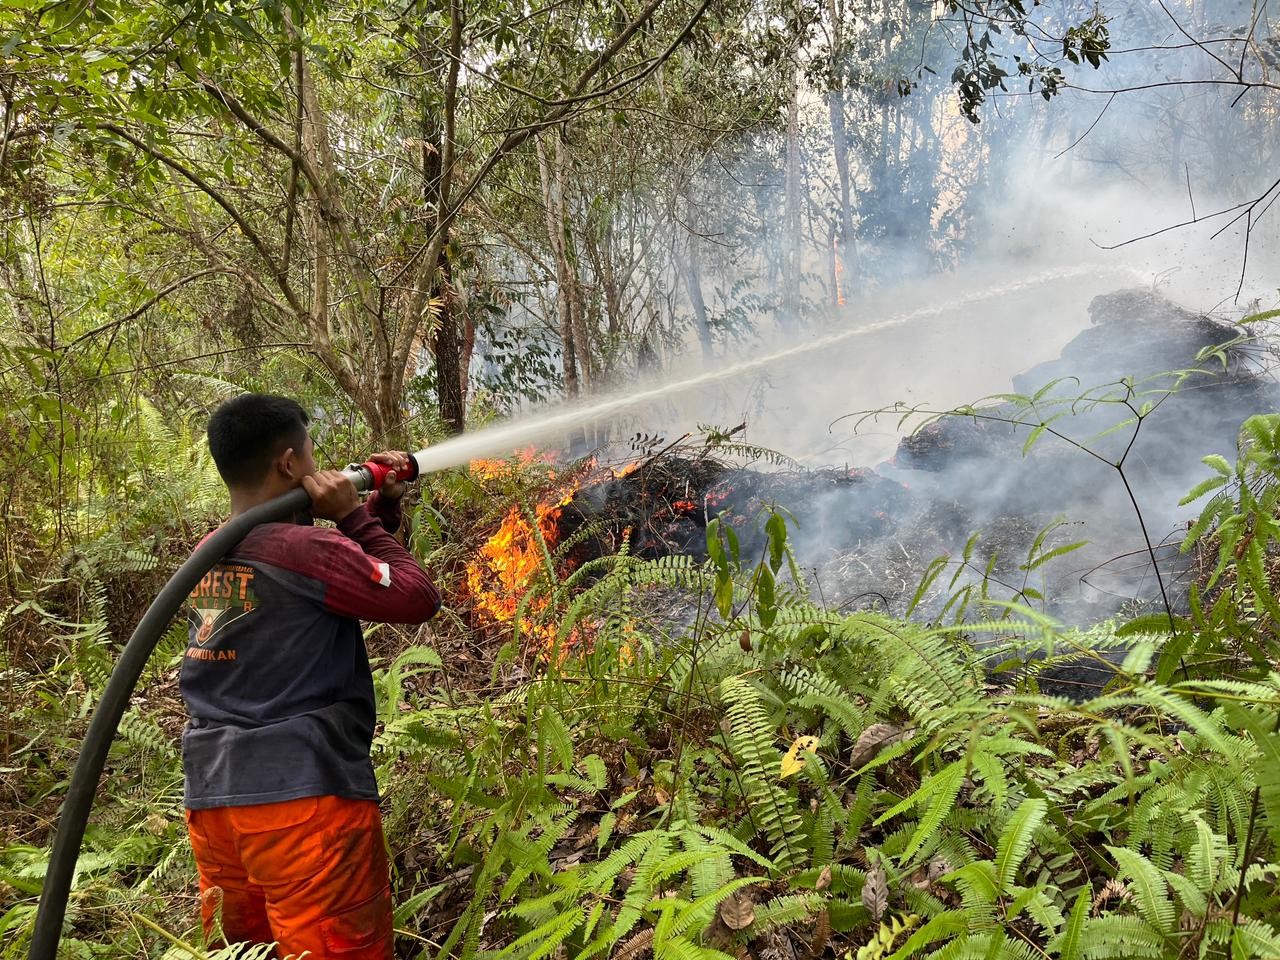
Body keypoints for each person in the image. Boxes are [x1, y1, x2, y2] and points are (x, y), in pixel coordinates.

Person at [181, 393, 440, 959]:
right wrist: (351, 516)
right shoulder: (310, 548)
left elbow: (317, 588)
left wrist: (379, 514)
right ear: (288, 464)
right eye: (311, 451)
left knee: (245, 951)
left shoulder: (209, 554)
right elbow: (416, 597)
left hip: (214, 804)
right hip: (303, 810)